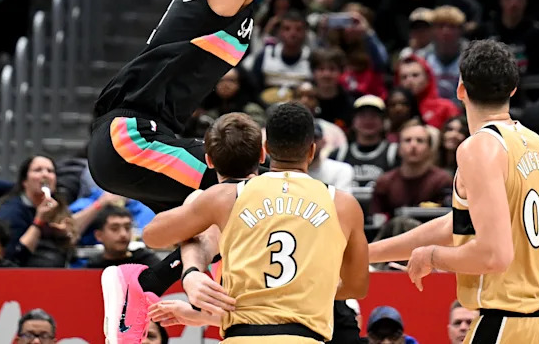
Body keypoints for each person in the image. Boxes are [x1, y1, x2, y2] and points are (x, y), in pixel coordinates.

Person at [86, 0, 400, 341]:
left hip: (136, 136)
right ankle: (162, 281)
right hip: (131, 133)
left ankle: (145, 284)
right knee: (243, 193)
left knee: (220, 201)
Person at [369, 40, 539, 342]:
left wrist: (433, 257)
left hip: (510, 323)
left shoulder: (479, 147)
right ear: (513, 89)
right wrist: (369, 253)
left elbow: (494, 254)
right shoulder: (533, 142)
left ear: (460, 88)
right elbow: (462, 224)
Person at [142, 107, 370, 342]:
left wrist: (191, 256)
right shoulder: (343, 204)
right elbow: (356, 287)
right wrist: (305, 286)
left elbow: (152, 236)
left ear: (267, 150)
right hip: (305, 337)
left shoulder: (225, 197)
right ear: (311, 151)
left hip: (241, 335)